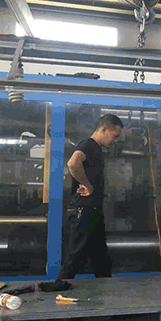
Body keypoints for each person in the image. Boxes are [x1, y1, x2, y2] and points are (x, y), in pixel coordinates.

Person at [56, 114, 123, 281]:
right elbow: (73, 163)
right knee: (75, 256)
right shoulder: (88, 145)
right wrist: (87, 185)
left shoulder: (96, 149)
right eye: (114, 136)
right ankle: (58, 288)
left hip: (92, 210)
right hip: (84, 210)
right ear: (103, 129)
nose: (114, 141)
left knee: (101, 258)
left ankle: (104, 288)